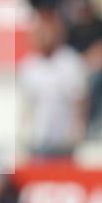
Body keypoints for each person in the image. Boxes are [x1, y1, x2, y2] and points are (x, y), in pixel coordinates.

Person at [18, 12, 87, 159]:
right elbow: (27, 103)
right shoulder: (29, 65)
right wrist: (24, 133)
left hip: (64, 139)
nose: (41, 37)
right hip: (38, 137)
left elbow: (80, 99)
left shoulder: (70, 61)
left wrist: (77, 131)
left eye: (45, 33)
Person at [63, 0, 102, 139]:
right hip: (75, 72)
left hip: (97, 72)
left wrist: (88, 62)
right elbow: (65, 56)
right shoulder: (70, 29)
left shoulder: (101, 27)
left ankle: (94, 127)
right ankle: (71, 129)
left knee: (95, 81)